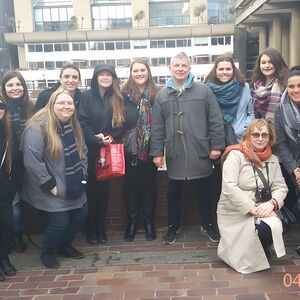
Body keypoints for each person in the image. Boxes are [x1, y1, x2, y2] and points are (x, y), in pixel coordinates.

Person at [150, 52, 225, 244]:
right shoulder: (162, 95)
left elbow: (215, 120)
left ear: (189, 68)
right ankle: (173, 227)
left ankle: (208, 224)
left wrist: (217, 145)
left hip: (200, 148)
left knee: (205, 190)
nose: (180, 69)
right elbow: (157, 126)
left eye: (184, 65)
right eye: (176, 65)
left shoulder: (204, 91)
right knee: (173, 192)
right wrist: (157, 152)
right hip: (175, 150)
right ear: (170, 68)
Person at [20, 87, 88, 269]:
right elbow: (32, 161)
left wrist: (84, 176)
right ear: (52, 104)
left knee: (81, 213)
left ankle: (64, 246)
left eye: (69, 103)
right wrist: (50, 185)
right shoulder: (37, 126)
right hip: (48, 184)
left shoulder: (74, 125)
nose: (66, 106)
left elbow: (83, 152)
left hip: (73, 180)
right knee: (60, 221)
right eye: (61, 103)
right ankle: (48, 252)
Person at [218, 119, 288, 274]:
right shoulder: (235, 155)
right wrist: (252, 209)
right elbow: (229, 187)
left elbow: (280, 187)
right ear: (248, 136)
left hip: (263, 207)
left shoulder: (273, 159)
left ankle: (261, 249)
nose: (260, 138)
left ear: (270, 138)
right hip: (235, 210)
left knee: (273, 226)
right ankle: (241, 251)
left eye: (264, 135)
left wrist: (272, 204)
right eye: (256, 134)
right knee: (242, 256)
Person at [78, 63, 125, 245]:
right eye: (101, 75)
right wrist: (96, 139)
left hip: (109, 151)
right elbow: (82, 122)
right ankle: (91, 229)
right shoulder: (87, 97)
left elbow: (121, 124)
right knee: (91, 193)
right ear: (95, 77)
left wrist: (110, 137)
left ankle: (101, 228)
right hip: (91, 152)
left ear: (113, 78)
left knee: (104, 194)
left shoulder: (117, 98)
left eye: (108, 75)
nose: (105, 78)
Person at [122, 58, 158, 242]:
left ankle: (149, 223)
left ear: (148, 72)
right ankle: (132, 223)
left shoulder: (156, 93)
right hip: (129, 149)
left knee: (149, 186)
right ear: (131, 73)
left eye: (142, 70)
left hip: (150, 148)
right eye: (135, 70)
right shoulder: (122, 94)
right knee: (130, 187)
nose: (139, 73)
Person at [1, 70, 35, 253]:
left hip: (28, 161)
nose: (15, 88)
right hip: (9, 164)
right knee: (13, 202)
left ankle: (27, 230)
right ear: (4, 88)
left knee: (27, 199)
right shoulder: (1, 108)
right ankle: (16, 235)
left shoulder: (31, 107)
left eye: (18, 84)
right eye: (10, 85)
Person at [274, 65, 300, 256]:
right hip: (293, 163)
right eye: (291, 86)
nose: (295, 90)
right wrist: (295, 170)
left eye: (299, 86)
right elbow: (281, 144)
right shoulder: (280, 110)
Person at [205, 55, 254, 143]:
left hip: (241, 139)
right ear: (215, 71)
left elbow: (251, 113)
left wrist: (245, 129)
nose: (224, 72)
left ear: (233, 70)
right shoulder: (207, 90)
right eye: (221, 69)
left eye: (228, 69)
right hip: (217, 141)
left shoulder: (244, 87)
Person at [0, 95, 17, 280]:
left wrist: (11, 184)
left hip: (4, 190)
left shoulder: (9, 132)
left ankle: (4, 258)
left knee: (6, 226)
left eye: (1, 105)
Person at [251, 47, 288, 121]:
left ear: (277, 63)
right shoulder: (255, 85)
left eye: (270, 62)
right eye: (263, 63)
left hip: (281, 128)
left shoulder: (286, 83)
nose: (267, 66)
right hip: (260, 129)